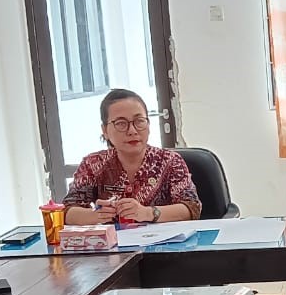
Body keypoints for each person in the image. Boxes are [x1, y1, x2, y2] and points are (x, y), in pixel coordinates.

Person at [64, 88, 202, 225]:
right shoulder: (93, 164)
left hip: (164, 244)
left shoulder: (170, 161)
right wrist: (96, 215)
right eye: (121, 123)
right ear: (105, 130)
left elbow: (191, 208)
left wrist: (147, 213)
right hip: (113, 245)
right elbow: (67, 211)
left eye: (139, 121)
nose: (132, 131)